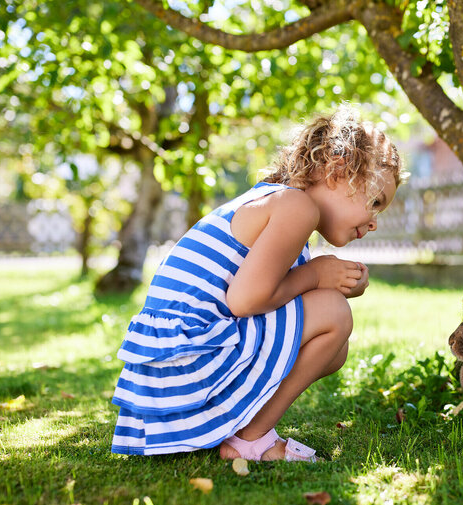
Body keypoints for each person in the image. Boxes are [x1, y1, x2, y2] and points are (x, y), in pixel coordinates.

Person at [110, 106, 403, 462]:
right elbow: (246, 301)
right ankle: (250, 441)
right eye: (375, 202)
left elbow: (266, 297)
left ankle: (239, 427)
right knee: (333, 315)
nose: (374, 222)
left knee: (334, 344)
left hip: (166, 378)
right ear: (336, 171)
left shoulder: (274, 200)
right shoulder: (295, 207)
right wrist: (316, 276)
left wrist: (329, 282)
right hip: (185, 367)